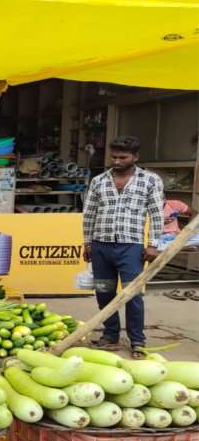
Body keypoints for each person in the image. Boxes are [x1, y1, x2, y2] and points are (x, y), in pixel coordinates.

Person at [82, 135, 164, 358]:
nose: (117, 161)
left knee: (132, 295)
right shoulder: (99, 181)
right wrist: (87, 242)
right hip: (100, 247)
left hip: (131, 247)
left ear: (135, 157)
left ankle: (137, 340)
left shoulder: (150, 180)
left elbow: (156, 214)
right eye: (114, 156)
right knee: (104, 291)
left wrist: (153, 244)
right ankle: (110, 335)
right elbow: (89, 213)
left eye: (122, 157)